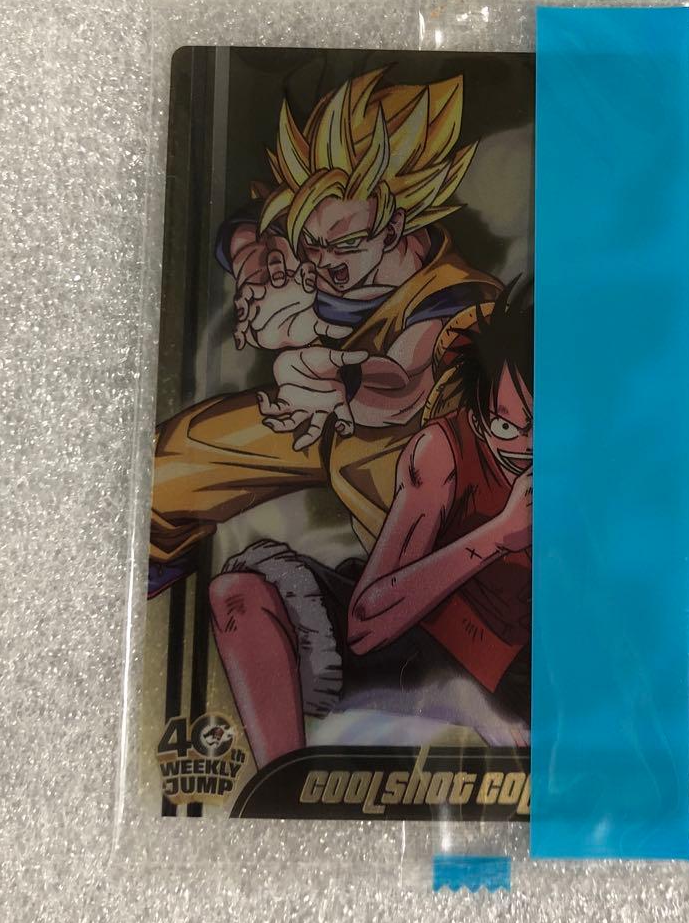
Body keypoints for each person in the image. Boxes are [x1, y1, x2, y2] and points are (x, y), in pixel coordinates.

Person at [149, 68, 501, 595]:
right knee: (175, 462)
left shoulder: (456, 296)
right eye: (309, 243)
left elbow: (404, 381)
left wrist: (341, 382)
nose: (320, 260)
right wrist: (254, 260)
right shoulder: (318, 221)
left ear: (394, 228)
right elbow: (249, 227)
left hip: (404, 455)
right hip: (314, 423)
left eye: (342, 246)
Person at [209, 287, 533, 769]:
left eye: (540, 426)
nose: (524, 446)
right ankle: (284, 783)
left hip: (512, 669)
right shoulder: (443, 451)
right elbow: (366, 622)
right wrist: (497, 536)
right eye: (505, 427)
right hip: (414, 631)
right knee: (237, 594)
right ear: (480, 415)